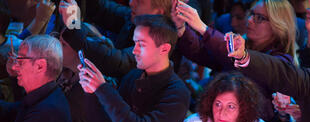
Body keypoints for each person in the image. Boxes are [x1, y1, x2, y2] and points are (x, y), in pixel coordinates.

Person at [59, 0, 207, 78]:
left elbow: (116, 63)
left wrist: (73, 24)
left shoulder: (162, 41)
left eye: (139, 1)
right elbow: (100, 9)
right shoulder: (136, 17)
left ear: (159, 12)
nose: (131, 2)